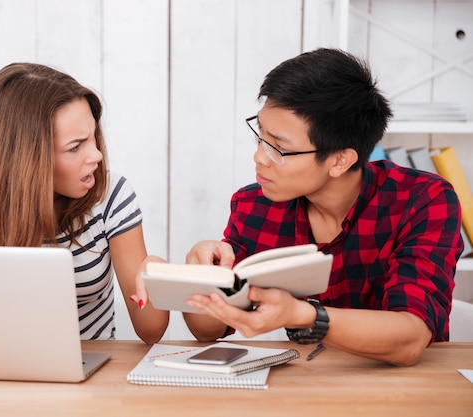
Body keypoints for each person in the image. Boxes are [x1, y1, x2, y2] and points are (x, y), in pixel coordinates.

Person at [185, 48, 464, 366]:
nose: (260, 157)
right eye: (259, 136)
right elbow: (209, 332)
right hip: (307, 385)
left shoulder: (423, 200)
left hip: (405, 392)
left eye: (278, 148)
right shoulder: (254, 205)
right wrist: (204, 280)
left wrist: (302, 315)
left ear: (339, 160)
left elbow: (411, 336)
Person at [0, 62, 171, 343]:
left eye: (92, 138)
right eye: (75, 147)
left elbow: (151, 331)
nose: (97, 155)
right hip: (1, 373)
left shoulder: (111, 196)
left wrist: (154, 273)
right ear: (27, 158)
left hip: (91, 371)